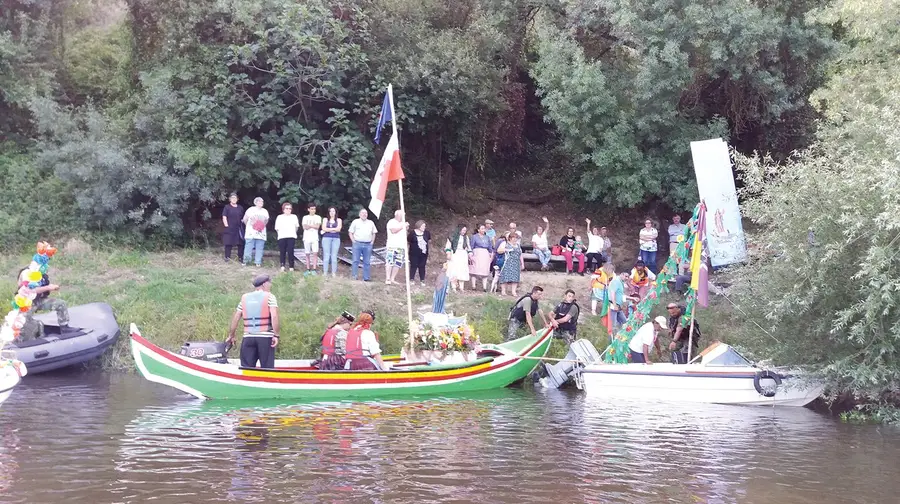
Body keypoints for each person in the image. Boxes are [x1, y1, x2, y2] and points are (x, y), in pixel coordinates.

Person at [227, 275, 280, 368]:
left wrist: (231, 335)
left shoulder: (244, 298)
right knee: (267, 369)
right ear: (264, 284)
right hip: (265, 338)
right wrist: (276, 335)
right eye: (269, 283)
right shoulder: (270, 297)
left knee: (247, 369)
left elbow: (236, 318)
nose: (270, 285)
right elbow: (274, 316)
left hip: (248, 337)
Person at [17, 269, 69, 340]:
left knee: (60, 303)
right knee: (24, 320)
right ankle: (28, 336)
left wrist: (51, 287)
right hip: (26, 302)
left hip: (39, 300)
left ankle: (64, 328)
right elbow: (30, 290)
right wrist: (48, 287)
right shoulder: (27, 273)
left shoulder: (42, 274)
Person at [348, 209, 378, 281]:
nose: (364, 214)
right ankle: (354, 276)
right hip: (357, 244)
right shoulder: (355, 222)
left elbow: (374, 233)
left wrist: (372, 242)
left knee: (367, 262)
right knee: (355, 261)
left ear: (367, 215)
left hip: (368, 245)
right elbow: (350, 232)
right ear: (359, 214)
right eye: (362, 213)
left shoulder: (371, 223)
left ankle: (366, 278)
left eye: (366, 213)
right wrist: (353, 241)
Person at [242, 197, 269, 267]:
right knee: (248, 246)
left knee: (260, 247)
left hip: (261, 232)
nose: (261, 203)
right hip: (250, 232)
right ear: (256, 202)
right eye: (260, 202)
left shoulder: (265, 211)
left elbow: (266, 221)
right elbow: (245, 219)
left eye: (262, 202)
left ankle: (258, 262)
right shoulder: (250, 209)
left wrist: (260, 227)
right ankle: (246, 261)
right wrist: (249, 226)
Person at [384, 209, 409, 285]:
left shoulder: (403, 223)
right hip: (392, 246)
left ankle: (392, 278)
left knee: (398, 263)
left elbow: (405, 235)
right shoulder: (391, 222)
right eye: (402, 215)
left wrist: (406, 229)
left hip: (401, 246)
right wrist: (403, 226)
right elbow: (393, 231)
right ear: (397, 215)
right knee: (390, 262)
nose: (403, 216)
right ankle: (388, 278)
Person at [497, 232, 525, 297]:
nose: (515, 239)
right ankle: (503, 291)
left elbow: (520, 254)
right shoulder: (505, 243)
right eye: (513, 238)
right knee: (505, 276)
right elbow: (499, 250)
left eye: (516, 238)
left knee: (515, 277)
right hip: (507, 262)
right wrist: (506, 250)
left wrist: (522, 264)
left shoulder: (518, 245)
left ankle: (513, 291)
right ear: (510, 238)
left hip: (516, 263)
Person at [445, 225, 472, 292]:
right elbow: (448, 246)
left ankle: (461, 287)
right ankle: (454, 287)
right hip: (454, 254)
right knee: (454, 270)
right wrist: (448, 253)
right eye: (463, 230)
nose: (464, 232)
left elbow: (468, 246)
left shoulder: (466, 237)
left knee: (462, 270)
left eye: (465, 230)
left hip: (463, 254)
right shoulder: (452, 237)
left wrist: (470, 253)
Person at [274, 202, 299, 272]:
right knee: (282, 251)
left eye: (290, 208)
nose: (288, 210)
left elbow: (296, 227)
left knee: (291, 251)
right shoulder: (279, 217)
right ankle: (282, 265)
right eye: (287, 208)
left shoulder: (294, 217)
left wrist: (293, 233)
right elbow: (277, 228)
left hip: (291, 236)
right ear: (283, 209)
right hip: (282, 236)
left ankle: (291, 266)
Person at [469, 224, 493, 291]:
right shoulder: (474, 237)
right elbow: (471, 246)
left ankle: (484, 287)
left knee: (484, 271)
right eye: (482, 229)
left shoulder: (487, 237)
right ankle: (473, 286)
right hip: (477, 253)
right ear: (478, 230)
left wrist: (490, 254)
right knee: (474, 270)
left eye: (484, 228)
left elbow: (490, 247)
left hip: (485, 254)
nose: (483, 230)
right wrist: (471, 254)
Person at [222, 193, 245, 262]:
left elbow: (243, 218)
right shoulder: (227, 207)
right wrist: (226, 225)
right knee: (228, 243)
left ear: (237, 199)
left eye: (235, 198)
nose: (234, 199)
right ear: (230, 199)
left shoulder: (240, 207)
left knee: (240, 243)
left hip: (239, 228)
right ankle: (227, 257)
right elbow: (224, 217)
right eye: (232, 198)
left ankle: (240, 258)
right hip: (229, 228)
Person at [301, 203, 322, 275]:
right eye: (312, 209)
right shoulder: (305, 217)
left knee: (315, 253)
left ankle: (314, 269)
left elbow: (317, 227)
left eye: (314, 209)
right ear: (308, 209)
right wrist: (313, 226)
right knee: (307, 253)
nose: (313, 210)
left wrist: (309, 225)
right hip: (306, 237)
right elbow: (304, 227)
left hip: (314, 237)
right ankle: (308, 268)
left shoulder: (318, 217)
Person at [321, 207, 342, 277]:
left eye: (333, 211)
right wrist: (333, 229)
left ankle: (333, 273)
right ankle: (325, 272)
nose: (332, 213)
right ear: (328, 212)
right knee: (326, 255)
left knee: (334, 256)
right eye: (330, 211)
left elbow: (338, 229)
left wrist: (329, 229)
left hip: (336, 239)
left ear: (335, 212)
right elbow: (323, 228)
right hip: (326, 238)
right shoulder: (325, 219)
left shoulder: (339, 220)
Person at [408, 220, 431, 286]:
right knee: (413, 266)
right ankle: (411, 279)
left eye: (425, 226)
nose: (424, 227)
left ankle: (422, 280)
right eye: (423, 226)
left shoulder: (427, 233)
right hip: (414, 253)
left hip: (423, 253)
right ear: (419, 226)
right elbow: (409, 240)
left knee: (422, 266)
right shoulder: (412, 233)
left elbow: (428, 241)